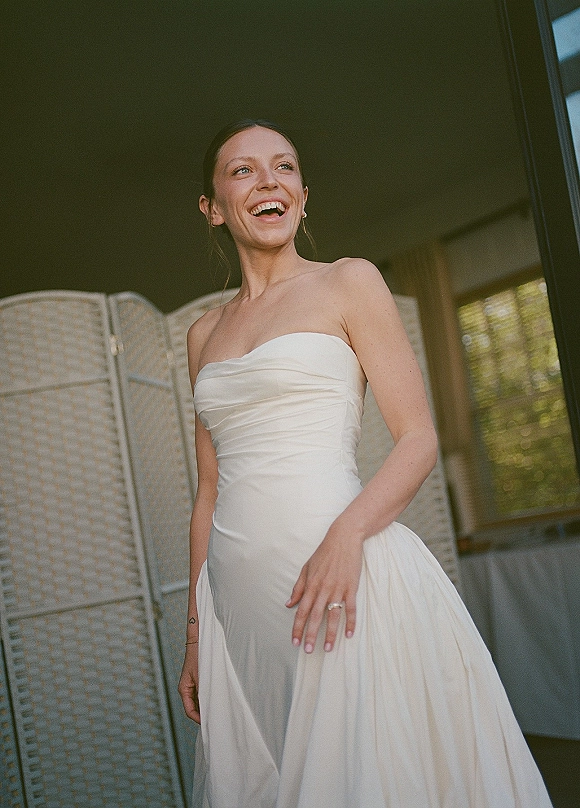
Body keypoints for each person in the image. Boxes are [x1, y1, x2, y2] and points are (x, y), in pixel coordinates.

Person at [178, 119, 553, 808]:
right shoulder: (203, 335)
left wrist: (346, 536)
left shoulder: (349, 282)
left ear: (302, 194)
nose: (268, 180)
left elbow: (418, 439)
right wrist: (196, 635)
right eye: (243, 170)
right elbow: (208, 491)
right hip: (238, 602)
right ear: (212, 208)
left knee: (362, 776)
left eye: (284, 166)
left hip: (339, 580)